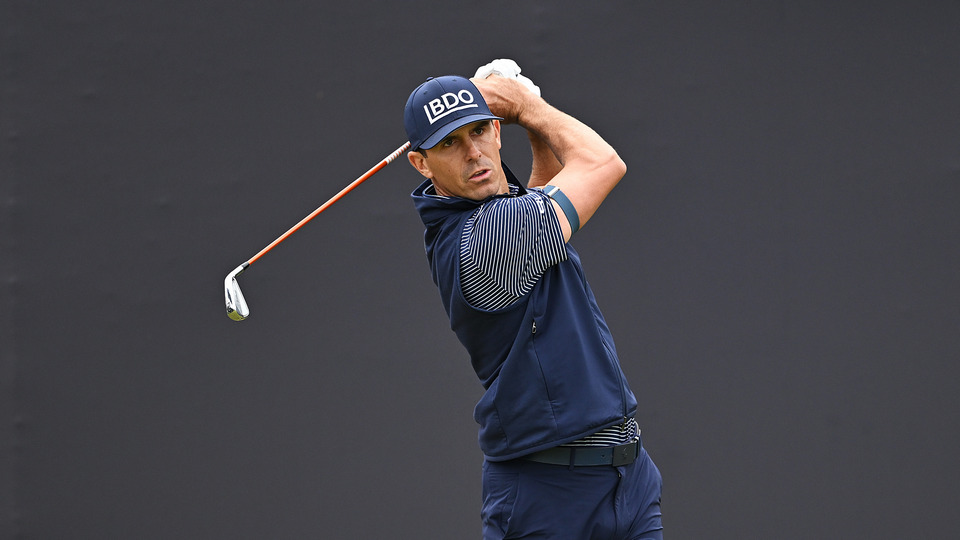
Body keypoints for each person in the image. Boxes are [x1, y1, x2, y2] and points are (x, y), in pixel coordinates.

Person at [404, 68, 663, 540]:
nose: (474, 153)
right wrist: (527, 107)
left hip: (627, 477)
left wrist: (530, 126)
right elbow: (603, 164)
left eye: (479, 129)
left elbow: (542, 196)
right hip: (550, 494)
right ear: (421, 164)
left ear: (495, 130)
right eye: (449, 144)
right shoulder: (485, 240)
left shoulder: (500, 219)